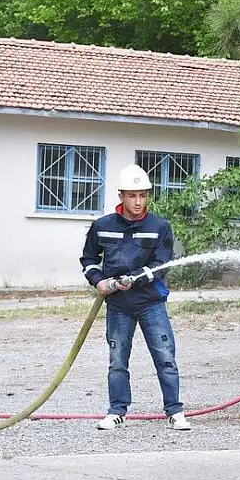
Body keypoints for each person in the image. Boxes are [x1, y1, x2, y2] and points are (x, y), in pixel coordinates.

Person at [79, 164, 190, 431]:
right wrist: (99, 281)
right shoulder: (102, 226)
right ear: (121, 196)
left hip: (151, 304)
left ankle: (174, 412)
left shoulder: (160, 227)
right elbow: (88, 259)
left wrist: (134, 279)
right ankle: (116, 411)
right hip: (118, 306)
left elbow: (162, 264)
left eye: (143, 195)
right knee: (117, 361)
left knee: (165, 357)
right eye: (132, 195)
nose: (138, 202)